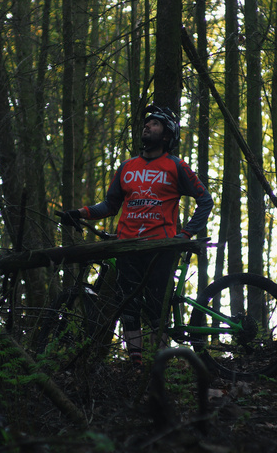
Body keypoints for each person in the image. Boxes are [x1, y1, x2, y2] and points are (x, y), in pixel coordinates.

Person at [61, 105, 213, 366]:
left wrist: (186, 233)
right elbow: (110, 205)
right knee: (128, 307)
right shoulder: (127, 167)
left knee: (157, 307)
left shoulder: (176, 165)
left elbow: (205, 200)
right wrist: (81, 213)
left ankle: (162, 367)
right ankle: (136, 366)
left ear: (166, 135)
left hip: (161, 246)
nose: (147, 126)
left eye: (155, 124)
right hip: (126, 246)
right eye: (147, 123)